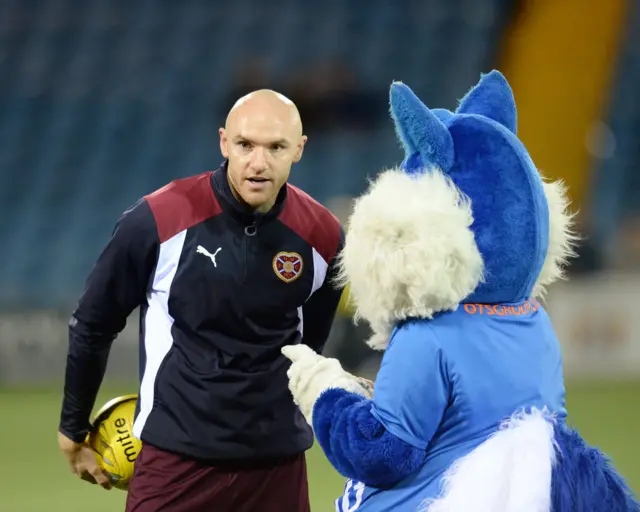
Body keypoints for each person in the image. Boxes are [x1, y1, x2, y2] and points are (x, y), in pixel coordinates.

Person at [58, 89, 345, 512]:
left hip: (277, 468)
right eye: (246, 144)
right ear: (224, 142)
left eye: (276, 147)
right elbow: (93, 324)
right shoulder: (157, 219)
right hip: (175, 464)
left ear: (299, 150)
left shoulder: (324, 238)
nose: (258, 162)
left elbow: (309, 349)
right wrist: (72, 426)